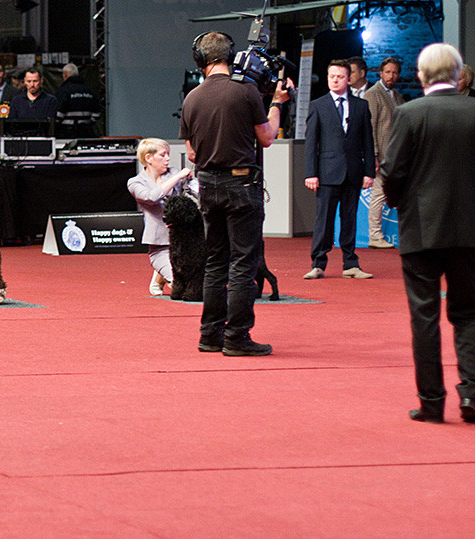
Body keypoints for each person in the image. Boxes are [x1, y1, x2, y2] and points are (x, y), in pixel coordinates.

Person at [179, 31, 292, 356]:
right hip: (241, 185)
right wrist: (276, 104)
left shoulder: (192, 97)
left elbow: (192, 154)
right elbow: (267, 137)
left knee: (216, 261)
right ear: (229, 57)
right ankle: (237, 336)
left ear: (200, 60)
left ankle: (210, 334)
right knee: (243, 261)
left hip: (209, 187)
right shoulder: (246, 92)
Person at [380, 42, 475, 424]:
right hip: (470, 232)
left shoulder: (409, 114)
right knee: (470, 314)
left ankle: (431, 402)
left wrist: (401, 204)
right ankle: (471, 394)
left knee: (424, 317)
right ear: (458, 74)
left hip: (421, 230)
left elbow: (392, 171)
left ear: (420, 76)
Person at [303, 59, 376, 280]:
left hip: (353, 171)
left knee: (349, 219)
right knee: (323, 220)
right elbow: (311, 143)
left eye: (340, 76)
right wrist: (310, 173)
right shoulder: (319, 105)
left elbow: (368, 142)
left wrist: (369, 172)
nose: (335, 80)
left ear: (349, 79)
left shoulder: (361, 106)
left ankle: (350, 264)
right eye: (331, 76)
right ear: (327, 78)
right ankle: (318, 263)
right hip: (326, 172)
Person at [127, 138, 193, 297]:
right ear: (148, 158)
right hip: (160, 246)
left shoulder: (174, 172)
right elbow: (152, 197)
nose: (168, 159)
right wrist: (177, 178)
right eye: (163, 155)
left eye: (168, 154)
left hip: (184, 242)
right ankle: (161, 273)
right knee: (182, 288)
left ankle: (161, 275)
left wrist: (194, 182)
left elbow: (197, 191)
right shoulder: (135, 182)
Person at [363, 57, 404, 249]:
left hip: (395, 156)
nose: (391, 76)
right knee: (378, 195)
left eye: (395, 72)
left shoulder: (397, 96)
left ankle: (401, 234)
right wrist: (374, 156)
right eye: (388, 72)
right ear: (380, 73)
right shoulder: (373, 94)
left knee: (397, 196)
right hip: (381, 156)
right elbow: (369, 128)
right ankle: (375, 236)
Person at [55, 63, 101, 138]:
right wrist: (87, 123)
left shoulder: (63, 91)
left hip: (67, 133)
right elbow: (97, 113)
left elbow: (58, 114)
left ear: (65, 74)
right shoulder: (89, 90)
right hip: (86, 133)